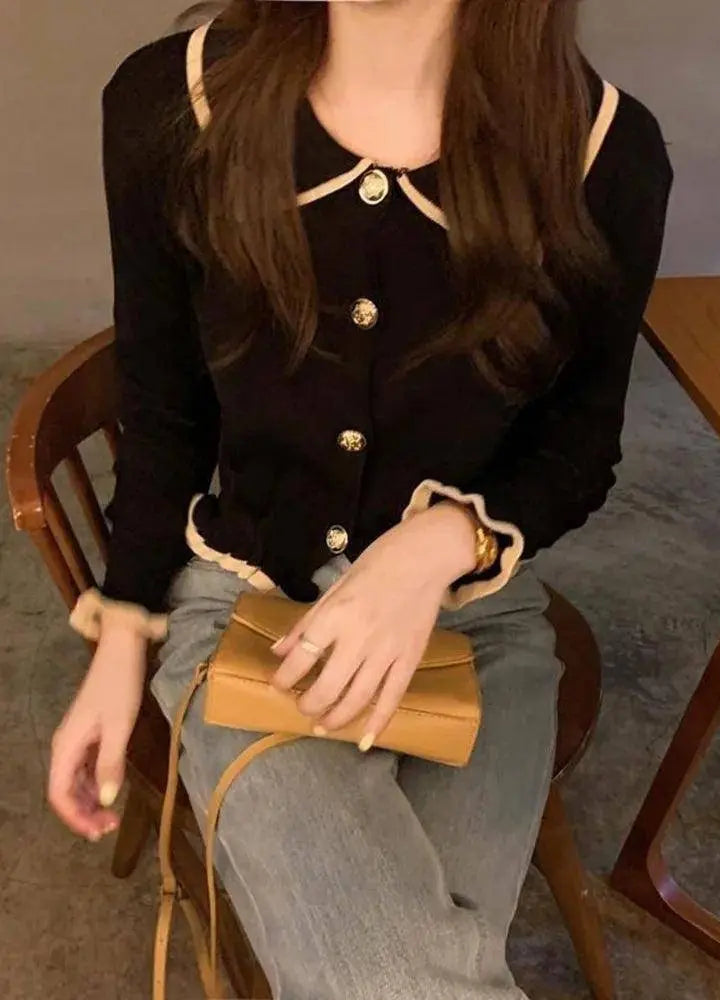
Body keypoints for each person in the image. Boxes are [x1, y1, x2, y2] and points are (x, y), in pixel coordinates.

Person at [48, 2, 672, 997]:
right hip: (251, 610)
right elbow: (165, 417)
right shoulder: (172, 104)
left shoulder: (605, 155)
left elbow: (579, 448)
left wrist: (436, 544)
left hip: (477, 623)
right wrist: (122, 635)